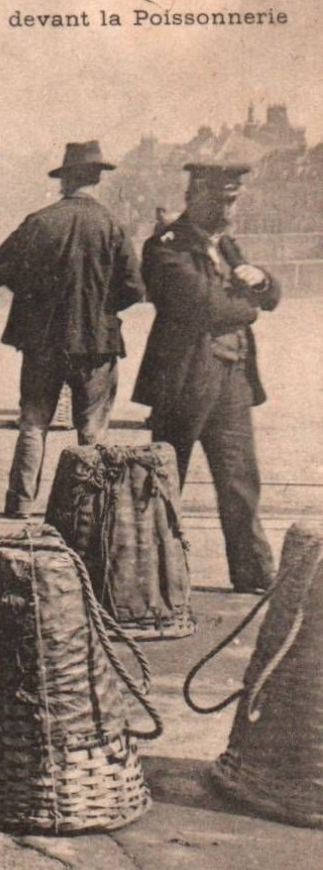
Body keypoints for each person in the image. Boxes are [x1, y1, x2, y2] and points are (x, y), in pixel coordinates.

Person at [134, 162, 281, 593]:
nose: (230, 208)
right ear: (196, 194)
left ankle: (254, 573)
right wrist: (249, 302)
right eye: (222, 199)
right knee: (165, 482)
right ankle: (151, 579)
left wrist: (261, 280)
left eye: (234, 199)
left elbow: (271, 296)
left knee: (240, 482)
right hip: (184, 382)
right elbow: (205, 307)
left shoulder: (227, 245)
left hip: (233, 379)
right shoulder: (167, 246)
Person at [0, 142, 145, 518]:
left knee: (33, 424)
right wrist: (101, 310)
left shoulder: (40, 221)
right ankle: (86, 505)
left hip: (43, 341)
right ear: (97, 179)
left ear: (64, 180)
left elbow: (0, 267)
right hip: (96, 342)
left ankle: (21, 503)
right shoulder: (112, 225)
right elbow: (135, 289)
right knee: (92, 430)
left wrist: (34, 300)